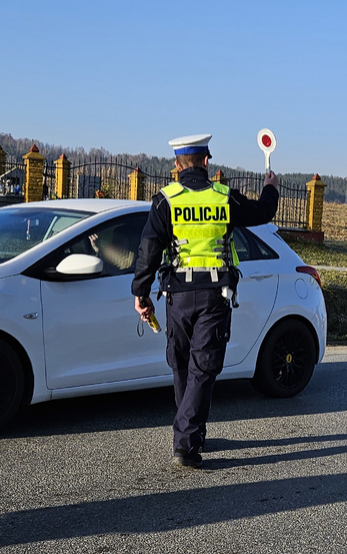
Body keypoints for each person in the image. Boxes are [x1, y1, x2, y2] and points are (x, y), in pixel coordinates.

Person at [132, 134, 279, 468]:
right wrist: (270, 185)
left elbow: (149, 251)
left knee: (182, 363)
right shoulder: (223, 197)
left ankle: (190, 430)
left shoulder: (164, 200)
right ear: (207, 162)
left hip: (178, 296)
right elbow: (263, 212)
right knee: (203, 366)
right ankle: (186, 440)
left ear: (177, 166)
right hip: (214, 296)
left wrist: (141, 294)